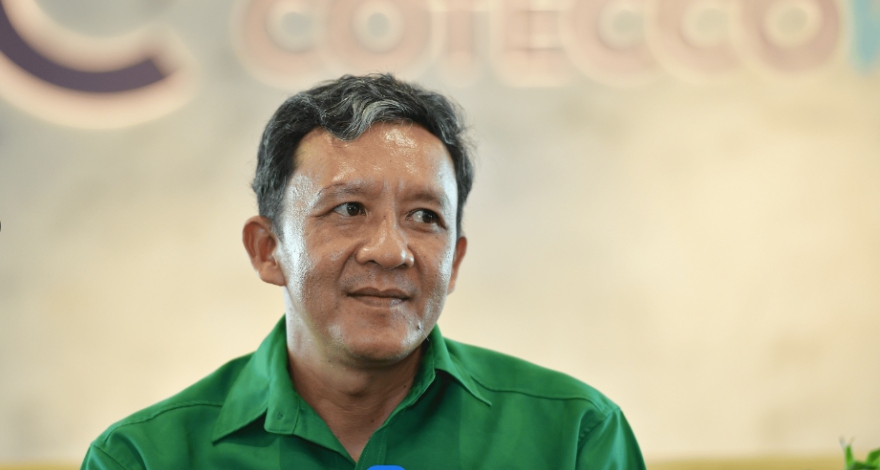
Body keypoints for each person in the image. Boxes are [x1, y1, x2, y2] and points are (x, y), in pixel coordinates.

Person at [81, 74, 646, 469]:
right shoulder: (145, 457)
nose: (390, 251)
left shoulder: (574, 437)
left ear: (454, 261)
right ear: (268, 249)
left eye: (424, 217)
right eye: (349, 209)